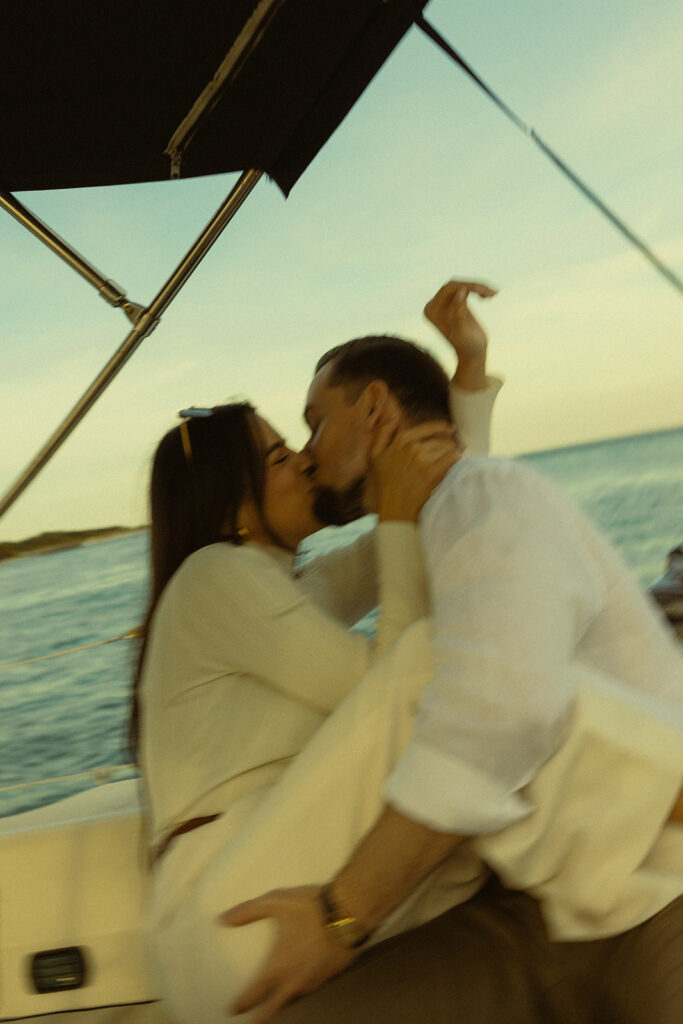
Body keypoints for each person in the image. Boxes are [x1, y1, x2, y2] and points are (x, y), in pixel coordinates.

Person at [223, 287, 683, 1023]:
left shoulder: (485, 498)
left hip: (658, 885)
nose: (307, 455)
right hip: (537, 912)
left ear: (374, 409)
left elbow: (497, 716)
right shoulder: (440, 519)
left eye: (314, 424)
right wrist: (468, 371)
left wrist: (341, 919)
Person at [136, 282, 502, 1023]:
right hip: (231, 909)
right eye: (277, 456)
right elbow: (394, 683)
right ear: (226, 495)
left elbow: (429, 513)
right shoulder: (216, 577)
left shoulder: (281, 582)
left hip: (259, 880)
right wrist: (397, 515)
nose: (304, 462)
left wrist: (466, 378)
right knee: (442, 659)